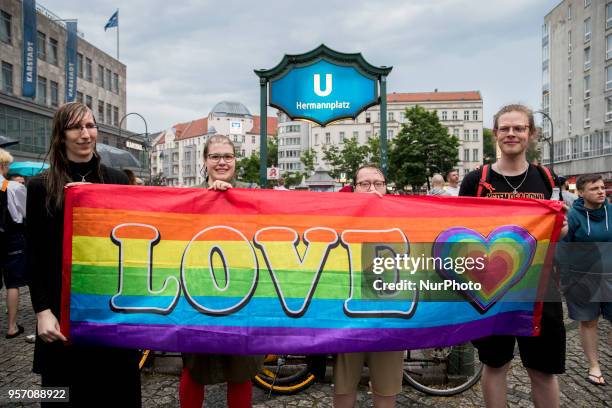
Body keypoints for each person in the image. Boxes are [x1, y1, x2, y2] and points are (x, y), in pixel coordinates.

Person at [26, 102, 141, 406]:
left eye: (90, 126)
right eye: (76, 127)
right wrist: (41, 311)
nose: (85, 134)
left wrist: (213, 194)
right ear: (61, 135)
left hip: (111, 310)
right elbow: (34, 253)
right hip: (62, 311)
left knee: (117, 393)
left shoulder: (116, 181)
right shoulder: (40, 187)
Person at [459, 104, 566, 408]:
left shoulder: (547, 179)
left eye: (519, 128)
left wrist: (563, 229)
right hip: (492, 291)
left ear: (531, 134)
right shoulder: (474, 181)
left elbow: (559, 233)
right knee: (495, 365)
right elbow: (460, 235)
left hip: (541, 290)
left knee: (543, 370)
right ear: (495, 134)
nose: (511, 134)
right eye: (505, 128)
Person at [180, 134, 263, 408]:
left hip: (243, 294)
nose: (222, 162)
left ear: (235, 160)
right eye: (215, 156)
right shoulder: (189, 198)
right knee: (194, 368)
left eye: (227, 156)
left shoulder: (252, 196)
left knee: (241, 371)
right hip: (198, 294)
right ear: (205, 161)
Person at [333, 164, 404, 408]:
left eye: (378, 183)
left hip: (389, 313)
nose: (372, 189)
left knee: (386, 386)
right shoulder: (338, 218)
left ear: (386, 188)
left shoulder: (403, 217)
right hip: (349, 313)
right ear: (354, 189)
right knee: (343, 384)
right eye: (364, 184)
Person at [560, 174, 611, 386]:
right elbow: (563, 248)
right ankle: (594, 365)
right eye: (594, 188)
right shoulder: (573, 216)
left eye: (602, 187)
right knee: (589, 321)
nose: (601, 191)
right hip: (583, 278)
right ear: (580, 193)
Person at [0, 149, 27, 339]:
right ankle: (11, 327)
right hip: (11, 238)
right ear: (3, 165)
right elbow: (26, 212)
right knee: (12, 283)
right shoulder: (13, 187)